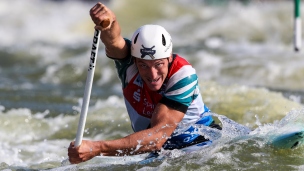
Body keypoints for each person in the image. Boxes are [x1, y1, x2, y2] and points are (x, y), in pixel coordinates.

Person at [68, 2, 221, 164]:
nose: (152, 74)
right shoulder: (128, 65)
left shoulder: (183, 74)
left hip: (202, 145)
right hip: (161, 153)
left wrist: (97, 148)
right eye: (143, 65)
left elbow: (156, 137)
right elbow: (114, 41)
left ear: (169, 58)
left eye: (159, 64)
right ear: (135, 60)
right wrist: (109, 21)